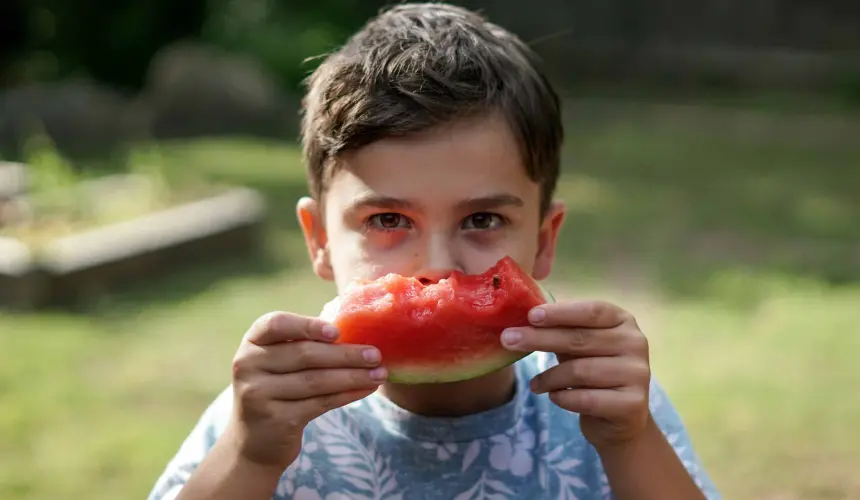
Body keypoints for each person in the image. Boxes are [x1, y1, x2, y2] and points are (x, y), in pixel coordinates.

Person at [148, 3, 721, 499]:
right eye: (389, 219)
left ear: (544, 240)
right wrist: (249, 457)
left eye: (483, 219)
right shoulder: (266, 416)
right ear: (319, 240)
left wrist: (631, 441)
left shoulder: (600, 407)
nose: (438, 266)